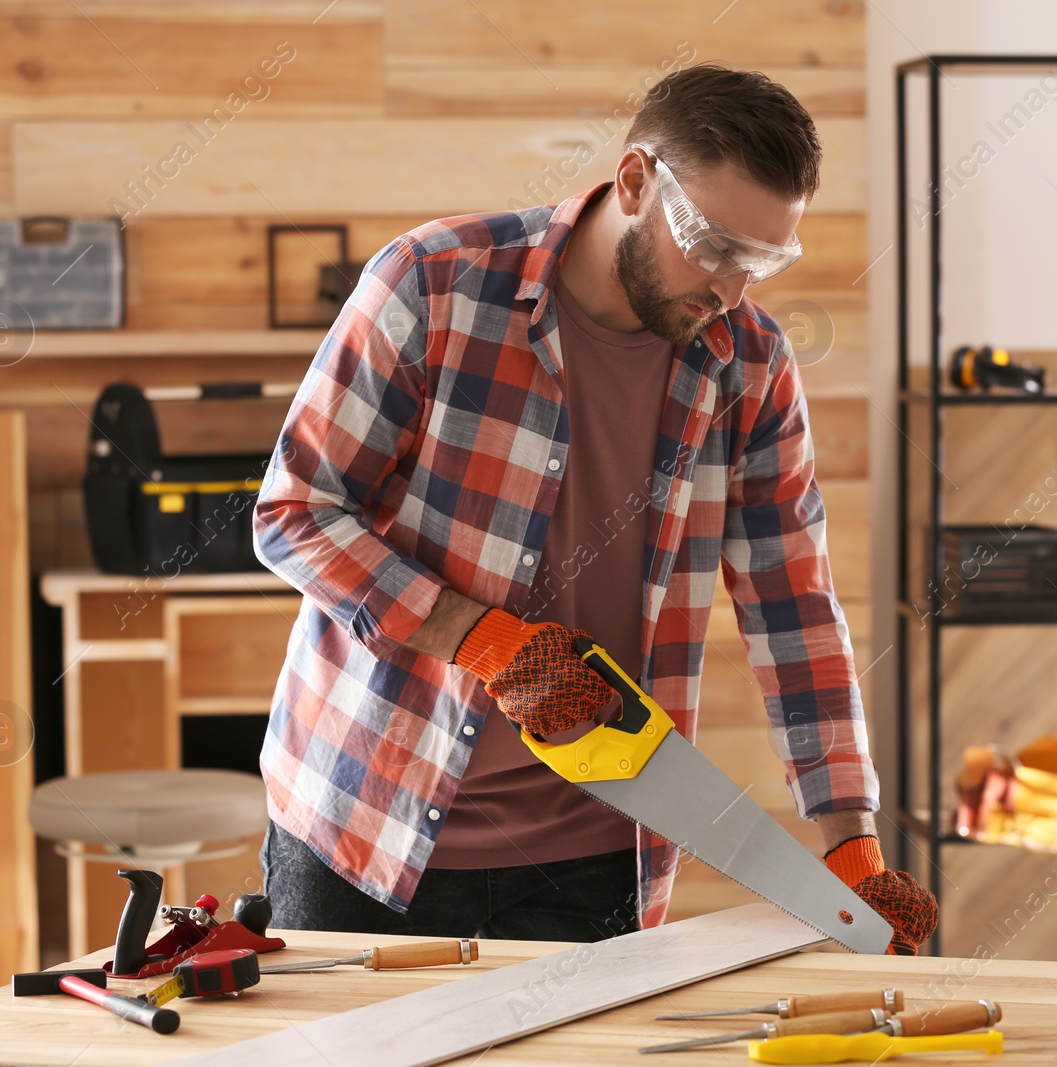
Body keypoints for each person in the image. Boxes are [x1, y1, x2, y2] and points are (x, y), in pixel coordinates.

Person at [252, 64, 938, 954]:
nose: (732, 288)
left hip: (595, 858)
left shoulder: (752, 365)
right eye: (714, 244)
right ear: (633, 182)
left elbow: (795, 608)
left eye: (762, 261)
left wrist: (851, 848)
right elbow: (296, 511)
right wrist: (482, 639)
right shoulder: (435, 284)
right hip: (365, 825)